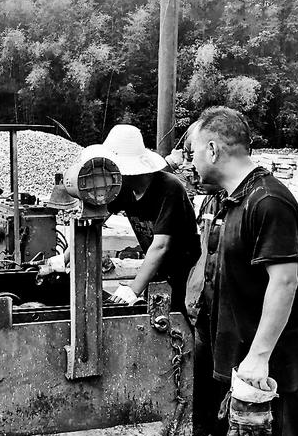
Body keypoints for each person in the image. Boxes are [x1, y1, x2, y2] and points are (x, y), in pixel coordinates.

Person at [183, 107, 298, 436]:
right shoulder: (229, 200)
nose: (191, 160)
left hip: (267, 365)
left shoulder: (268, 200)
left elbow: (285, 281)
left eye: (193, 151)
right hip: (231, 356)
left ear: (212, 149)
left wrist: (259, 357)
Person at [41, 124, 200, 312]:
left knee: (180, 319)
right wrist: (65, 258)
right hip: (157, 271)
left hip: (186, 272)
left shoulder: (169, 188)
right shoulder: (124, 188)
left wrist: (132, 291)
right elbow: (94, 222)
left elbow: (161, 246)